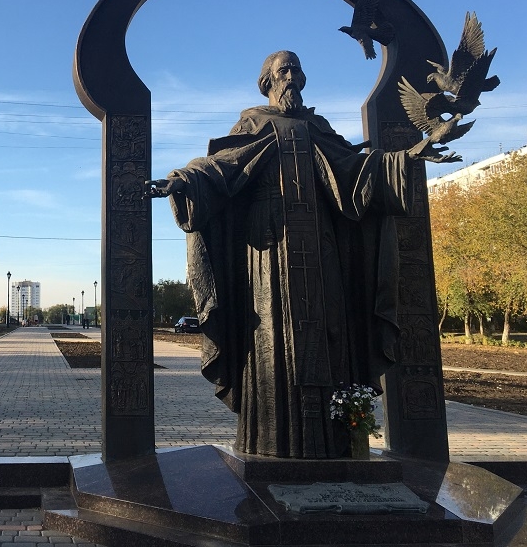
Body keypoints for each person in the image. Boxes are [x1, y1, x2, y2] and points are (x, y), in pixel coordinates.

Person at [146, 51, 448, 458]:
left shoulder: (318, 128)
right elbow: (221, 168)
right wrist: (183, 180)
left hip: (322, 246)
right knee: (270, 330)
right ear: (267, 82)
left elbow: (356, 171)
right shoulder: (253, 124)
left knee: (331, 324)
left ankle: (334, 436)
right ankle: (269, 435)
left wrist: (407, 157)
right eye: (283, 70)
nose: (292, 76)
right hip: (269, 248)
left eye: (296, 69)